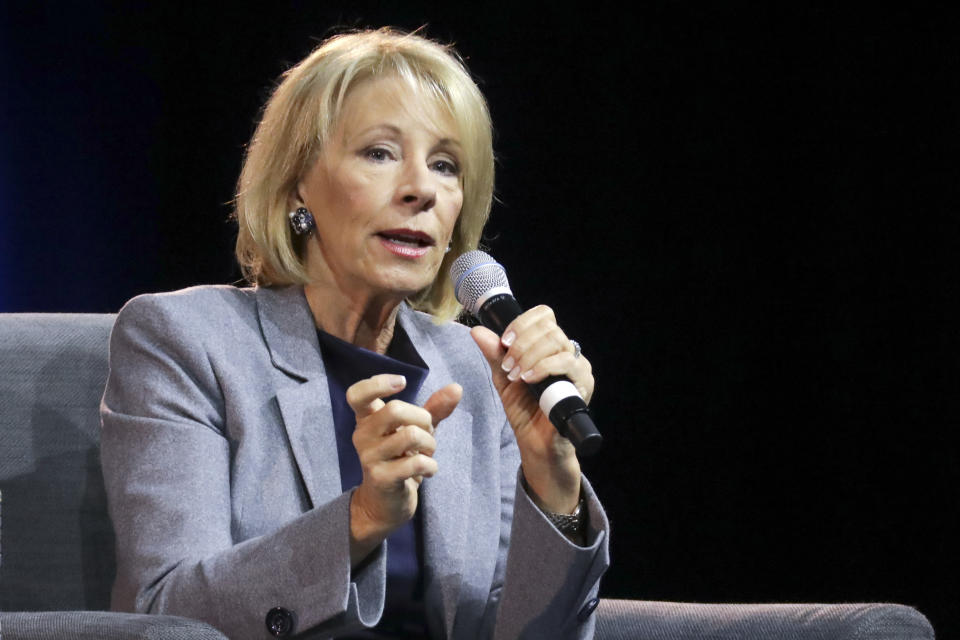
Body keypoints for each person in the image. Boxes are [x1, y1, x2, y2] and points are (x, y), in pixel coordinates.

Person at [100, 28, 609, 640]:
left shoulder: (475, 369)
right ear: (297, 186)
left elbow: (524, 631)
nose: (421, 188)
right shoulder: (187, 342)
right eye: (380, 152)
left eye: (446, 165)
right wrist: (362, 518)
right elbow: (166, 609)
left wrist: (551, 475)